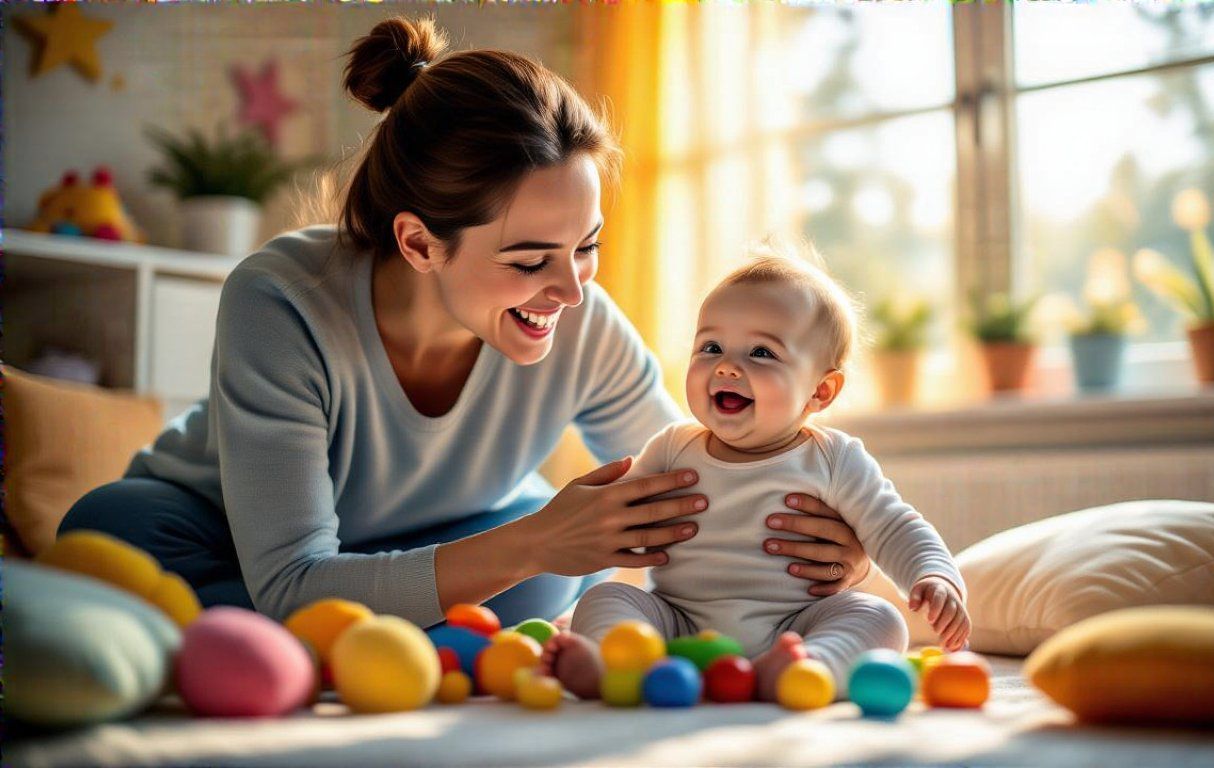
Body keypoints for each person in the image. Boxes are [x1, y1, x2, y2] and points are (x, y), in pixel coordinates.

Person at [57, 17, 872, 630]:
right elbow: (290, 574)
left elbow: (705, 482)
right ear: (418, 242)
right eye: (528, 260)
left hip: (446, 543)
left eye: (586, 246)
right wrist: (529, 548)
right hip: (228, 537)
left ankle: (295, 630)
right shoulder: (281, 299)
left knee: (546, 579)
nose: (571, 291)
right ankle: (371, 624)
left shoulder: (583, 325)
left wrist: (840, 543)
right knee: (107, 535)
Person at [540, 244, 970, 701]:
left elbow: (893, 524)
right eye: (710, 347)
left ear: (820, 392)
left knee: (879, 618)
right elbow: (618, 520)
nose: (726, 365)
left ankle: (805, 668)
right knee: (606, 600)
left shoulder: (834, 458)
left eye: (762, 353)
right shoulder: (672, 446)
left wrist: (935, 574)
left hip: (794, 627)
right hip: (676, 623)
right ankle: (616, 665)